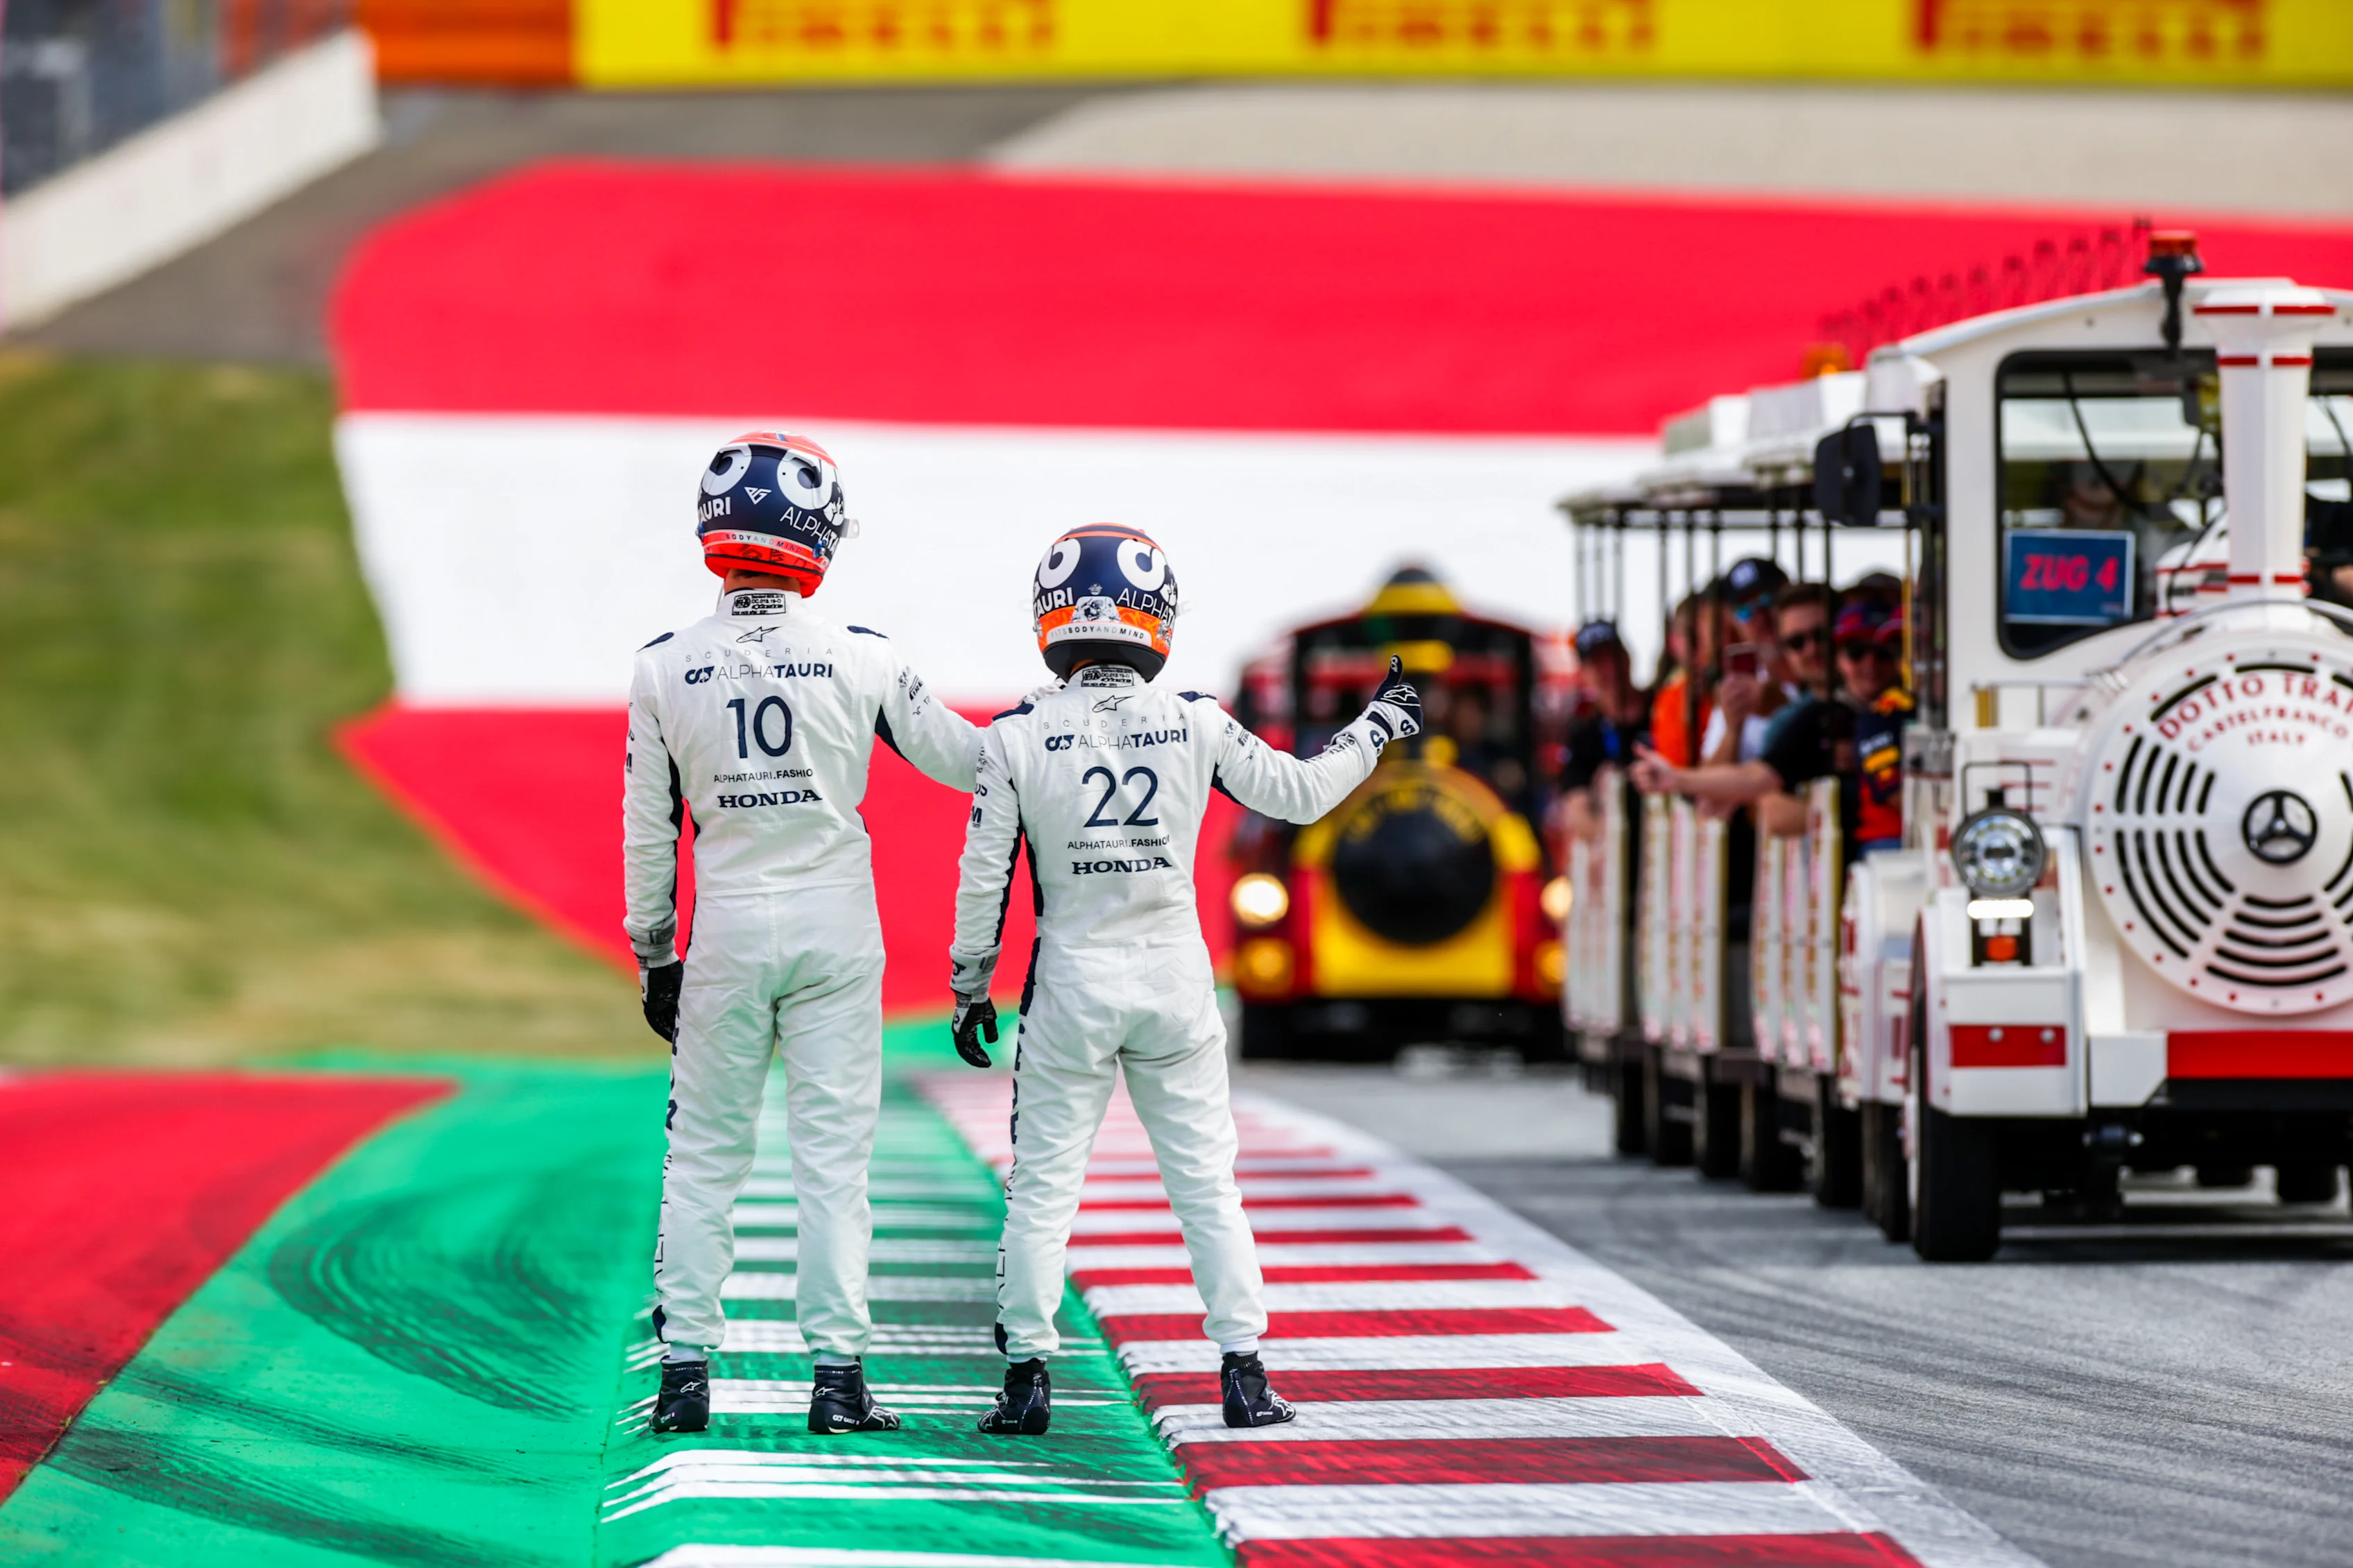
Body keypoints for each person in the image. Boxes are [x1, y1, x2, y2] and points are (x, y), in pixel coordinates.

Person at [946, 526, 1421, 1437]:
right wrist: (1377, 725)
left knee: (1044, 1184)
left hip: (1071, 981)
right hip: (1174, 977)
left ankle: (1025, 1378)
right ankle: (1243, 1373)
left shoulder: (1016, 734)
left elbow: (983, 877)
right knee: (1207, 1180)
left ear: (1053, 618)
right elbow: (1300, 793)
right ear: (1153, 616)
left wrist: (970, 986)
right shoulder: (1197, 718)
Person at [624, 432, 983, 1437]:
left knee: (702, 1156)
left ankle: (684, 1374)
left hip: (726, 926)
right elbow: (965, 760)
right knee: (834, 1162)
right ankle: (837, 1378)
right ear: (813, 534)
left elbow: (648, 833)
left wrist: (656, 955)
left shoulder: (663, 667)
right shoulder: (864, 655)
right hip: (837, 925)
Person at [1629, 582, 1831, 819]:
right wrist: (1733, 729)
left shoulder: (1818, 702)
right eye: (1797, 641)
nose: (1812, 650)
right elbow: (1726, 796)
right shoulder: (1731, 693)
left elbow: (1760, 783)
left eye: (1821, 635)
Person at [1560, 620, 1647, 843]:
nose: (1610, 669)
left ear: (1628, 657)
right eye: (1598, 663)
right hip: (1618, 857)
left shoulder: (1664, 709)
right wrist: (1610, 845)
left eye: (1613, 658)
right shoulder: (1583, 734)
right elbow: (1577, 808)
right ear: (1584, 673)